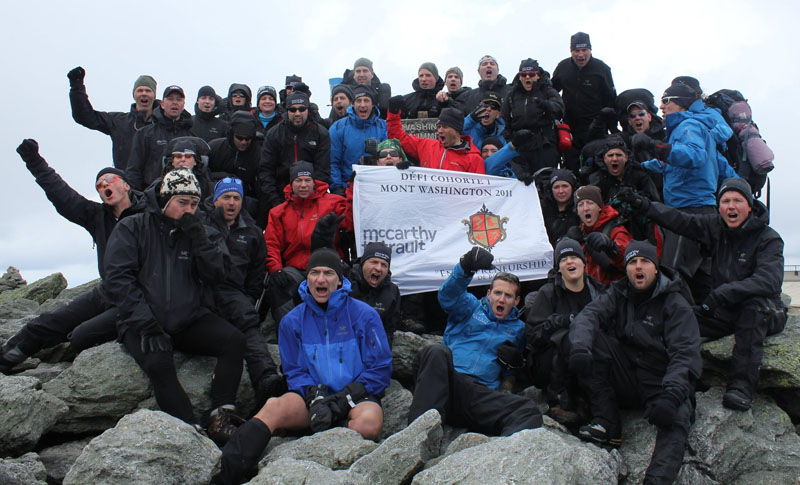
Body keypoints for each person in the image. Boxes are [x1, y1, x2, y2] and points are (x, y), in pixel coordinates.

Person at [212, 248, 392, 485]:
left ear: (339, 280)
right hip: (312, 399)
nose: (321, 279)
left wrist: (343, 399)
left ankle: (327, 453)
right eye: (314, 273)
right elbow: (294, 371)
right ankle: (228, 473)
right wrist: (315, 398)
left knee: (369, 423)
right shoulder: (291, 322)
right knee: (273, 406)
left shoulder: (365, 315)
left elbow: (380, 367)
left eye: (328, 273)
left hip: (355, 397)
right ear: (306, 278)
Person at [103, 168, 246, 443]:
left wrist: (200, 240)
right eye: (182, 203)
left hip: (187, 318)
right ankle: (190, 427)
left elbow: (218, 275)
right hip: (143, 323)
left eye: (194, 204)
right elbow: (118, 279)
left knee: (234, 341)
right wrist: (146, 324)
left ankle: (222, 414)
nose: (189, 210)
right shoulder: (134, 226)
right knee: (159, 363)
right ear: (165, 200)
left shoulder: (199, 231)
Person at [618, 178, 787, 411]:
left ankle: (741, 386)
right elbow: (680, 221)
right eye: (725, 201)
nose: (731, 207)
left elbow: (769, 281)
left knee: (753, 309)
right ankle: (658, 376)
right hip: (725, 309)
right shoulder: (715, 227)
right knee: (682, 318)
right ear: (719, 207)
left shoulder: (768, 238)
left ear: (750, 205)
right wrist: (645, 205)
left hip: (766, 309)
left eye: (737, 200)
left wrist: (723, 294)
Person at [0, 140, 147, 373]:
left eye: (110, 180)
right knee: (46, 322)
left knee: (80, 337)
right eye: (99, 184)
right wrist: (35, 162)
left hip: (139, 296)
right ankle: (6, 359)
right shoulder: (96, 216)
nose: (104, 185)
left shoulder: (151, 213)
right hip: (108, 291)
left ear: (127, 186)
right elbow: (62, 194)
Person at [569, 241, 700, 484]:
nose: (638, 267)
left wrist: (671, 395)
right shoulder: (618, 293)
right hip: (628, 375)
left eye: (645, 261)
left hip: (661, 383)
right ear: (627, 269)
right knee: (589, 341)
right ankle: (607, 422)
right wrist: (580, 348)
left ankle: (657, 480)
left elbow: (685, 354)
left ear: (656, 268)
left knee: (679, 414)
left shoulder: (676, 303)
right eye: (632, 262)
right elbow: (589, 315)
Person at [407, 247, 543, 435]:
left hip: (479, 396)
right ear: (489, 294)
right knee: (436, 352)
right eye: (497, 293)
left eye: (508, 295)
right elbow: (447, 296)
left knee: (527, 409)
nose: (501, 299)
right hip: (448, 382)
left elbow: (512, 372)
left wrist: (516, 363)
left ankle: (498, 456)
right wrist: (466, 265)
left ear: (517, 300)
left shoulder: (519, 329)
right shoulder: (471, 307)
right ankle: (416, 437)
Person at [634, 82, 737, 303]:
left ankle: (676, 326)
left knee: (672, 272)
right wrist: (643, 166)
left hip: (690, 210)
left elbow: (694, 156)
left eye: (665, 101)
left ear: (678, 103)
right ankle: (707, 320)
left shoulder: (688, 126)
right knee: (701, 273)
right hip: (702, 208)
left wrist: (655, 147)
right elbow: (674, 165)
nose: (661, 107)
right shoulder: (687, 127)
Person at [204, 178, 285, 406]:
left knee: (247, 322)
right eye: (226, 197)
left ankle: (266, 378)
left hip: (234, 292)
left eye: (236, 198)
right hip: (203, 288)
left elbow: (256, 273)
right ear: (215, 200)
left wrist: (249, 298)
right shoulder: (201, 225)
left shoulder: (252, 233)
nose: (231, 203)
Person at [525, 238, 606, 423]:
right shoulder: (547, 294)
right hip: (550, 362)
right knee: (566, 337)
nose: (569, 262)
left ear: (584, 263)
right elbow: (532, 337)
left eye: (574, 257)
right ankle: (560, 403)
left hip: (591, 356)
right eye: (563, 259)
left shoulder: (600, 293)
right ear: (558, 268)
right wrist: (558, 322)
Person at [264, 162, 349, 328]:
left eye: (307, 180)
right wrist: (275, 268)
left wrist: (354, 185)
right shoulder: (278, 212)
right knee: (278, 287)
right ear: (291, 184)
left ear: (314, 182)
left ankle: (336, 329)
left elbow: (353, 218)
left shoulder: (333, 203)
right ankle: (290, 330)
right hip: (295, 268)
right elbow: (271, 244)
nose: (303, 185)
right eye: (298, 180)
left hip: (327, 263)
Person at [68, 67, 157, 170]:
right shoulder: (118, 121)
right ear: (134, 95)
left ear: (154, 95)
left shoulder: (164, 122)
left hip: (158, 183)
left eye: (148, 90)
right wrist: (76, 87)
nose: (144, 93)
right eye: (140, 90)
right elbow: (85, 116)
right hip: (126, 182)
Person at [552, 32, 616, 173]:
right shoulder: (563, 67)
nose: (580, 55)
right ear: (571, 51)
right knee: (571, 167)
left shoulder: (601, 68)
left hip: (595, 128)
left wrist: (614, 128)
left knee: (594, 168)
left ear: (590, 50)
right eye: (576, 50)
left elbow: (611, 100)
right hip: (570, 128)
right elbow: (551, 92)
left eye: (584, 50)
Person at [258, 92, 331, 211]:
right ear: (287, 111)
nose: (297, 113)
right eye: (292, 110)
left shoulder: (320, 133)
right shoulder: (274, 134)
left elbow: (323, 170)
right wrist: (276, 202)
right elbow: (266, 170)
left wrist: (312, 196)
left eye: (302, 109)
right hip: (279, 195)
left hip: (312, 195)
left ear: (308, 110)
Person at [387, 98, 485, 174]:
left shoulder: (474, 159)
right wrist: (393, 114)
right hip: (427, 199)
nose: (440, 131)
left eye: (445, 127)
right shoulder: (426, 145)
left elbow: (479, 192)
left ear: (457, 130)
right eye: (439, 127)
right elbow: (397, 137)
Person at [126, 85, 194, 190]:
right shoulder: (145, 134)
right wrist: (136, 197)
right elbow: (134, 170)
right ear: (162, 104)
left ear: (183, 105)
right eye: (170, 99)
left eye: (179, 99)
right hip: (151, 195)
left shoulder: (191, 136)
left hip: (183, 194)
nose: (174, 102)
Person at [501, 58, 564, 170]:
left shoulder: (548, 91)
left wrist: (545, 105)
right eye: (524, 75)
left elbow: (560, 110)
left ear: (538, 75)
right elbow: (504, 120)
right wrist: (510, 140)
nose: (527, 77)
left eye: (531, 74)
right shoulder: (511, 95)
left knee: (545, 179)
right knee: (521, 181)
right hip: (520, 144)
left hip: (544, 144)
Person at [329, 84, 387, 195]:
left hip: (378, 188)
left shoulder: (384, 127)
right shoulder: (338, 128)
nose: (362, 105)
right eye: (359, 101)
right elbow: (333, 162)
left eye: (366, 100)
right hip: (348, 189)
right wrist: (337, 187)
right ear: (353, 104)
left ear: (372, 104)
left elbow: (392, 158)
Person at [569, 185, 632, 285]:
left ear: (599, 207)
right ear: (577, 211)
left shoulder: (615, 230)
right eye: (580, 205)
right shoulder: (578, 234)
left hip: (611, 294)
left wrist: (612, 248)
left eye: (590, 203)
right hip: (585, 293)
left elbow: (631, 261)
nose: (585, 208)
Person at [208, 112, 263, 222]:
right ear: (231, 134)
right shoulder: (215, 147)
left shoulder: (259, 155)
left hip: (246, 204)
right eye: (239, 138)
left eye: (248, 139)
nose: (243, 142)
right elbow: (204, 176)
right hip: (215, 200)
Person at [347, 242, 401, 347]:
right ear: (363, 263)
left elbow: (390, 329)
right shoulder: (347, 285)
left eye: (384, 265)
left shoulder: (392, 291)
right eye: (374, 262)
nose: (379, 268)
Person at [540, 169, 581, 246]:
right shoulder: (541, 210)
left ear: (573, 188)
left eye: (565, 186)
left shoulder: (581, 209)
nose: (561, 191)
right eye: (556, 187)